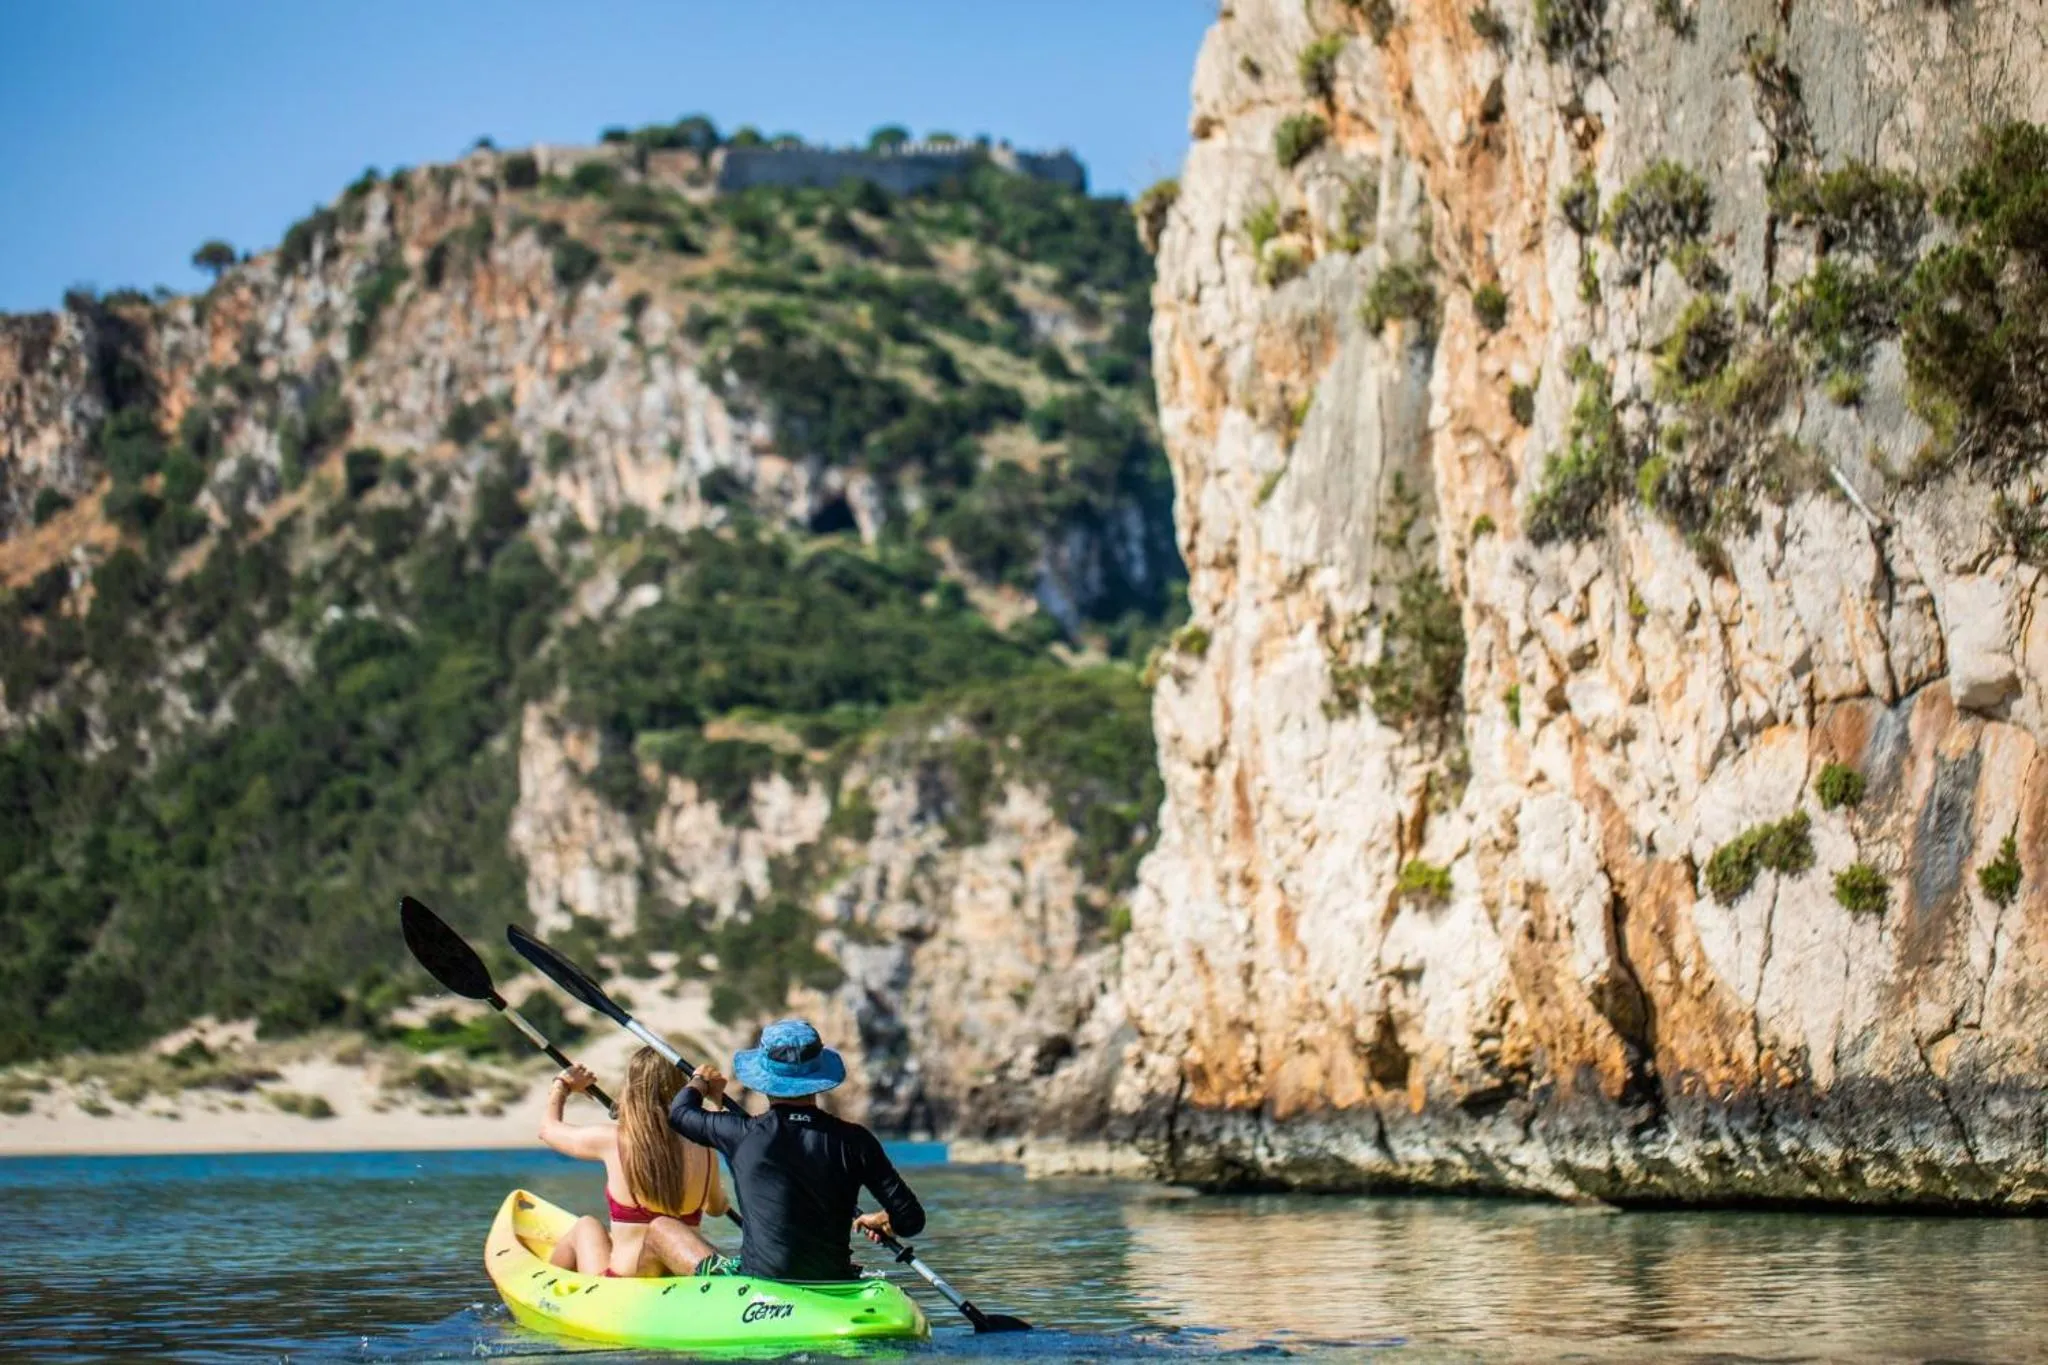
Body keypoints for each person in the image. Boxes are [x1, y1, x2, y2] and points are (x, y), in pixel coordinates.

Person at [668, 1017, 925, 1282]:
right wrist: (887, 1221)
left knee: (661, 1229)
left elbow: (679, 1113)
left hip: (763, 1280)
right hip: (834, 1279)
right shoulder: (855, 1141)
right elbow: (911, 1220)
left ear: (765, 1076)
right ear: (818, 1074)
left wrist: (700, 1081)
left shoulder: (740, 1133)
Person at [538, 1047, 730, 1277]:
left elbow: (547, 1130)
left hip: (624, 1282)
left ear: (631, 1088)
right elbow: (717, 1209)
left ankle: (545, 1290)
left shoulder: (613, 1139)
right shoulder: (704, 1144)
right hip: (678, 1278)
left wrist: (562, 1085)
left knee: (586, 1226)